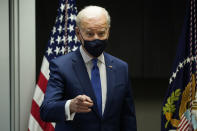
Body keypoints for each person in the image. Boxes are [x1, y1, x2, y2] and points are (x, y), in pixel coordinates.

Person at [40, 5, 137, 131]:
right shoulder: (61, 66)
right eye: (90, 34)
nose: (96, 38)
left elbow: (128, 117)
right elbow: (46, 110)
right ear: (78, 33)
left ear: (108, 31)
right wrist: (70, 105)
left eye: (101, 33)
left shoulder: (121, 68)